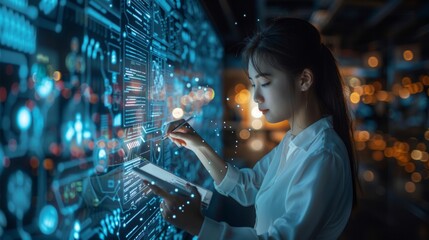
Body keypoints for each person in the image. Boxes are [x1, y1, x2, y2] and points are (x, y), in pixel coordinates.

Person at [144, 17, 358, 239]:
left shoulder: (323, 155)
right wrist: (198, 144)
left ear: (304, 80)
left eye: (265, 83)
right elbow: (249, 186)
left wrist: (198, 225)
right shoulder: (295, 141)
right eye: (254, 84)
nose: (256, 96)